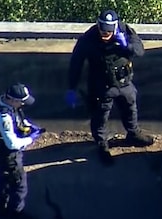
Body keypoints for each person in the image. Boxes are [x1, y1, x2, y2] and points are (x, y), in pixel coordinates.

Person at [65, 9, 155, 166]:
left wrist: (127, 46)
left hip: (125, 82)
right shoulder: (89, 39)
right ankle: (102, 144)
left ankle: (133, 134)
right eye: (102, 30)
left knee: (130, 109)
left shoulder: (125, 30)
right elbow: (76, 63)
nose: (105, 34)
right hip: (102, 86)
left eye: (108, 31)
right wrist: (72, 87)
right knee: (100, 116)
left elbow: (140, 50)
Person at [0, 83, 43, 219]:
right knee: (19, 183)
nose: (23, 104)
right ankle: (16, 213)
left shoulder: (3, 101)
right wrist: (30, 139)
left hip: (0, 150)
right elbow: (11, 143)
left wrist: (29, 126)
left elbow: (18, 118)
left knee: (3, 180)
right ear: (13, 100)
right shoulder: (3, 115)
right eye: (22, 101)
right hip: (8, 155)